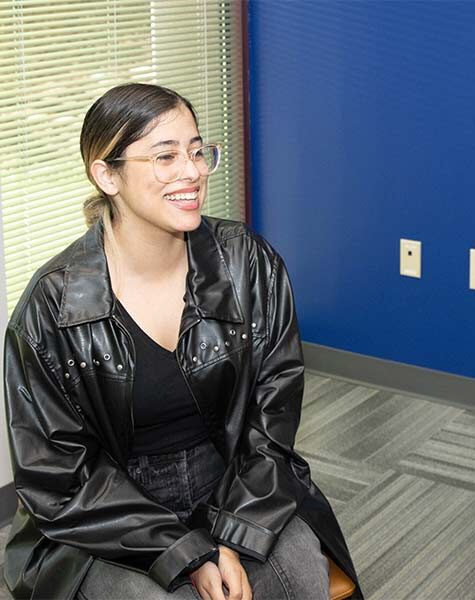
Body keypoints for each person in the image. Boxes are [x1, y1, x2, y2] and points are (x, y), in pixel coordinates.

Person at [3, 83, 360, 600]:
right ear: (107, 175)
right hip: (106, 517)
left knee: (298, 567)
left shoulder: (248, 265)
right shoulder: (51, 308)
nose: (192, 171)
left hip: (235, 485)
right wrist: (183, 551)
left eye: (197, 151)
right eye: (165, 156)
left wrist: (235, 533)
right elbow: (58, 478)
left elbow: (271, 421)